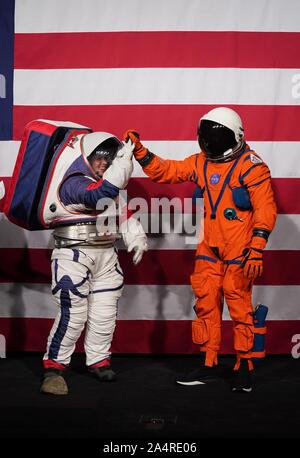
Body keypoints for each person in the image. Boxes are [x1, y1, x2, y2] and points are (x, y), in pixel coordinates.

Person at [124, 107, 277, 392]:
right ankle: (209, 363)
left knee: (238, 302)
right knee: (206, 301)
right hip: (210, 245)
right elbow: (168, 171)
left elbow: (266, 208)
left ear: (236, 136)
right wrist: (140, 152)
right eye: (207, 138)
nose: (210, 144)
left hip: (240, 247)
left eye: (216, 139)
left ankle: (244, 365)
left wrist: (256, 247)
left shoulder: (252, 166)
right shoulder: (201, 163)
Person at [41, 131, 148, 395]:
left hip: (106, 255)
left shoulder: (108, 186)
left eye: (109, 159)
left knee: (104, 314)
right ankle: (54, 369)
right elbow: (96, 196)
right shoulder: (72, 182)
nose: (104, 163)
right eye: (99, 157)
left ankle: (98, 360)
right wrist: (122, 165)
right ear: (86, 158)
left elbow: (122, 214)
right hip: (73, 256)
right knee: (73, 314)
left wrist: (135, 237)